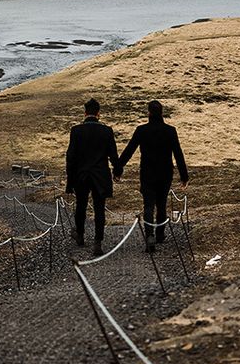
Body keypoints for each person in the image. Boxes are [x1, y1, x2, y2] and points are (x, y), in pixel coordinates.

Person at [116, 100, 188, 252]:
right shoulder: (170, 130)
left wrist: (118, 168)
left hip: (147, 173)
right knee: (161, 204)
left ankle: (150, 236)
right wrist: (184, 176)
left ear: (149, 112)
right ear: (161, 113)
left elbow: (129, 150)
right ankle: (160, 234)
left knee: (148, 205)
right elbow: (178, 154)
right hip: (165, 173)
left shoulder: (142, 130)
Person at [65, 98, 120, 256]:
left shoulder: (76, 131)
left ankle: (80, 235)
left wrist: (70, 181)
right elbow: (113, 156)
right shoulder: (107, 131)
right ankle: (98, 241)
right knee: (99, 209)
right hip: (100, 175)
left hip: (81, 175)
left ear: (85, 113)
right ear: (98, 114)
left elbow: (71, 157)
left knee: (81, 206)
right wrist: (117, 171)